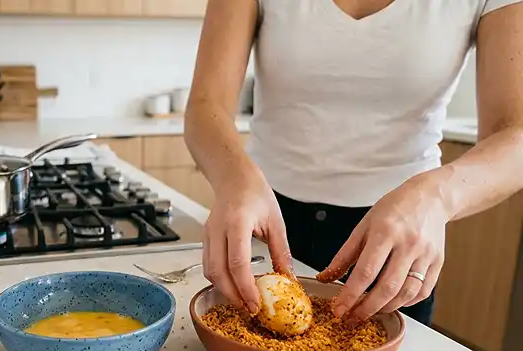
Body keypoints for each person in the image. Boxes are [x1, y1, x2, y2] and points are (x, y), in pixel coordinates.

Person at [184, 0, 523, 327]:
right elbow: (205, 104)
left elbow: (516, 134)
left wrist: (437, 197)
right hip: (264, 217)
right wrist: (235, 180)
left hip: (401, 233)